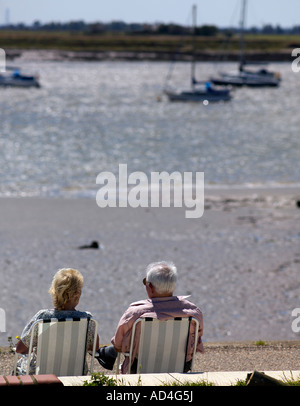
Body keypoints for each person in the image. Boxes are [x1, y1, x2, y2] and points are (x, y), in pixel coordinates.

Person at [96, 261, 204, 374]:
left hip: (140, 367)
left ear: (150, 287)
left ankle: (104, 354)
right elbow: (197, 339)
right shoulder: (193, 312)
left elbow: (118, 345)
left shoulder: (135, 312)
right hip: (181, 367)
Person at [15, 268, 99, 375]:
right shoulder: (87, 320)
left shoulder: (43, 317)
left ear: (54, 291)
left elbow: (20, 349)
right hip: (75, 374)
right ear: (78, 294)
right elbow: (94, 348)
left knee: (18, 367)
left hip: (41, 374)